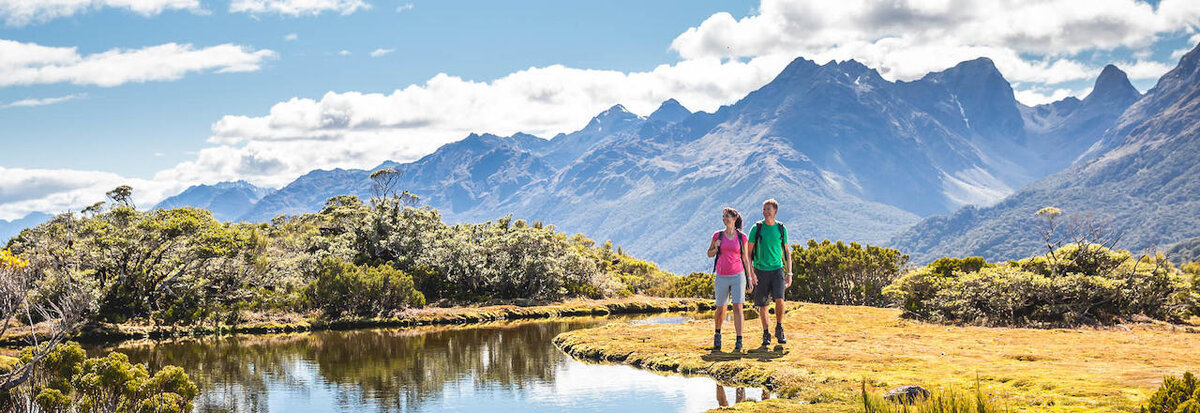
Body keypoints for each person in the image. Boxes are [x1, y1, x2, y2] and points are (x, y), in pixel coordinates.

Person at [746, 199, 791, 347]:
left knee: (780, 299)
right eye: (764, 209)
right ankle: (766, 333)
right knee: (763, 305)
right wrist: (751, 273)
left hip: (777, 269)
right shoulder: (756, 228)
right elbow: (748, 253)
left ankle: (779, 327)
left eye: (768, 210)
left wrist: (789, 273)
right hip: (760, 270)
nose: (765, 212)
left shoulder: (781, 228)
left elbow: (786, 252)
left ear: (775, 211)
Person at [706, 207, 752, 351]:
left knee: (738, 307)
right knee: (721, 308)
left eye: (727, 217)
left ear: (734, 218)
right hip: (722, 276)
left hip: (738, 275)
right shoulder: (717, 236)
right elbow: (709, 254)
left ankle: (739, 339)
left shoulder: (742, 237)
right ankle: (717, 334)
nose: (725, 219)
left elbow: (745, 258)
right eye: (723, 217)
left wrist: (749, 277)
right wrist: (716, 248)